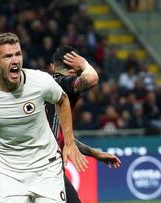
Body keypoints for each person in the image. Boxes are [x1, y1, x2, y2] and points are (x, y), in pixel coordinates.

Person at [0, 32, 87, 203]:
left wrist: (69, 143)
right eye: (8, 56)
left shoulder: (40, 81)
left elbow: (62, 100)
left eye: (18, 54)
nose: (15, 60)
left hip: (46, 166)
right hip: (8, 170)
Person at [46, 45, 121, 203]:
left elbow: (61, 137)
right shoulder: (62, 84)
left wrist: (95, 153)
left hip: (33, 167)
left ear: (52, 67)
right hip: (46, 169)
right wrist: (85, 64)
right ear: (74, 71)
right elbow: (91, 78)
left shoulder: (40, 86)